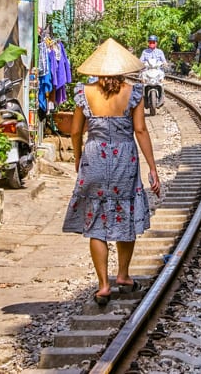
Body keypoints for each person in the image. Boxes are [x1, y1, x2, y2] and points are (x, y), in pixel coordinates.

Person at [62, 38, 162, 305]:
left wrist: (79, 157)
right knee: (124, 214)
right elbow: (140, 130)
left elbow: (74, 131)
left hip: (94, 157)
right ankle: (124, 275)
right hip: (124, 159)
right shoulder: (134, 92)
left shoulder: (84, 92)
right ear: (122, 69)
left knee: (96, 221)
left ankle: (103, 285)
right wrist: (152, 167)